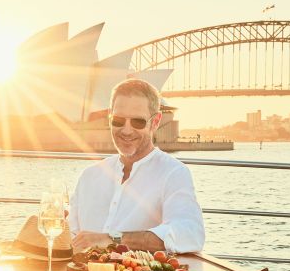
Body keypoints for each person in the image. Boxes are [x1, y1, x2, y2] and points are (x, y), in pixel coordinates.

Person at [70, 78, 204, 253]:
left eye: (138, 122)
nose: (126, 130)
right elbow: (68, 236)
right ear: (110, 117)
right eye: (118, 120)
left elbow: (190, 233)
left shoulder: (174, 173)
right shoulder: (89, 175)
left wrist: (112, 239)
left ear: (155, 122)